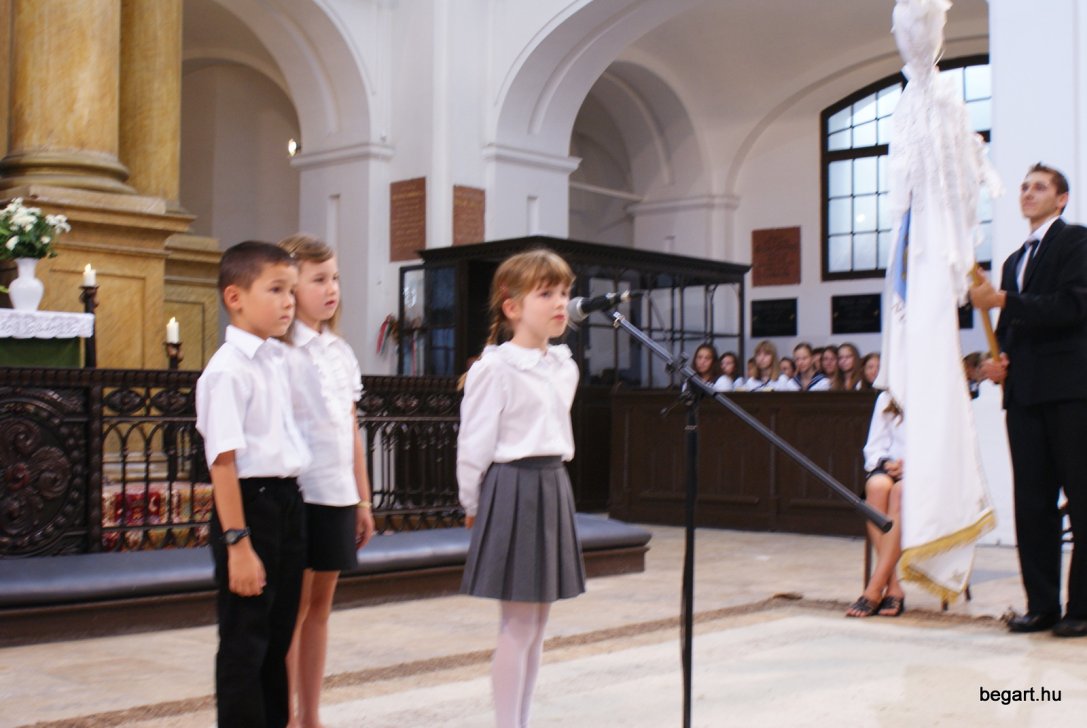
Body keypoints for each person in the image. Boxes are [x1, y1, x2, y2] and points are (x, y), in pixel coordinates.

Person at [458, 249, 587, 727]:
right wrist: (472, 502)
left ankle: (522, 719)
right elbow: (474, 444)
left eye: (565, 292)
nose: (561, 303)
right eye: (546, 293)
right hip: (512, 487)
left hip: (553, 484)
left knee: (538, 625)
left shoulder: (564, 366)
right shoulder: (495, 368)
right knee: (517, 624)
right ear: (512, 306)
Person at [195, 241, 311, 727]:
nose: (289, 302)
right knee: (246, 640)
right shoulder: (226, 370)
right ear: (235, 297)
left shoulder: (275, 359)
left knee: (278, 636)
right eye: (276, 290)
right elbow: (223, 464)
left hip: (285, 500)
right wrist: (238, 542)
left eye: (292, 291)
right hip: (249, 507)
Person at [970, 162, 1087, 638]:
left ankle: (1082, 608)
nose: (1028, 193)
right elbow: (1009, 332)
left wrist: (1003, 301)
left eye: (1039, 187)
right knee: (1032, 504)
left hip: (1070, 392)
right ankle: (1042, 605)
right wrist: (997, 361)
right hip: (1024, 396)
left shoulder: (1076, 241)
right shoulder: (1013, 260)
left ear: (1061, 198)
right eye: (1023, 187)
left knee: (1081, 500)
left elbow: (1073, 306)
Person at [280, 235, 376, 728]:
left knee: (320, 609)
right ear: (290, 287)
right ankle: (288, 716)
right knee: (291, 613)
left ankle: (312, 716)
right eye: (318, 279)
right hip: (301, 493)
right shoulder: (281, 351)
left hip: (338, 493)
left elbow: (350, 430)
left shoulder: (340, 351)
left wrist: (363, 499)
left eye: (334, 278)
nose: (331, 288)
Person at [846, 392, 906, 618]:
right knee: (876, 487)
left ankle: (874, 588)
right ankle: (893, 586)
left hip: (926, 473)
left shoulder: (940, 390)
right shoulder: (887, 397)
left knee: (900, 492)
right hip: (890, 468)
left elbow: (946, 448)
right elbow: (874, 447)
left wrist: (911, 466)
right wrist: (888, 463)